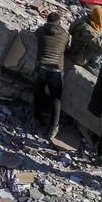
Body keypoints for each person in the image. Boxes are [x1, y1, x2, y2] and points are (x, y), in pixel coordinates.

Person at [33, 12, 68, 140]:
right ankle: (53, 128)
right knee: (56, 100)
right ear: (59, 22)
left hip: (40, 68)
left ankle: (36, 119)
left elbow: (36, 36)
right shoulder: (65, 35)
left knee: (38, 94)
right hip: (55, 71)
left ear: (47, 21)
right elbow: (66, 48)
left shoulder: (40, 30)